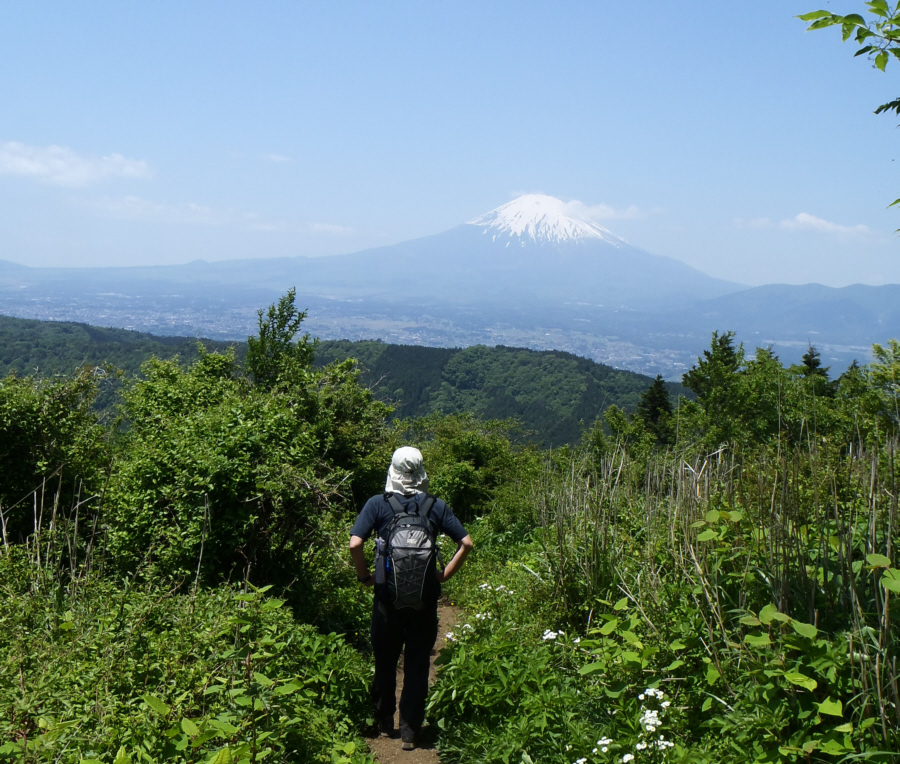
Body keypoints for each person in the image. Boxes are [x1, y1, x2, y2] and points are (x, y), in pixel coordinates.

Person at [349, 446, 473, 751]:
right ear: (421, 473)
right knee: (417, 664)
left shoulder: (378, 503)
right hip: (424, 601)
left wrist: (365, 577)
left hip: (386, 599)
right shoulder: (435, 505)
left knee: (385, 660)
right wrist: (443, 575)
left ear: (392, 471)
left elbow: (355, 544)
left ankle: (384, 721)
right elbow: (467, 543)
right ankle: (410, 731)